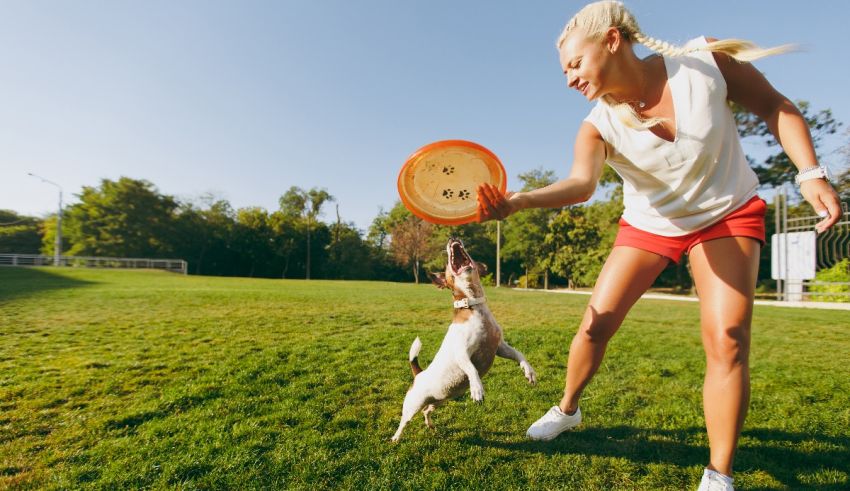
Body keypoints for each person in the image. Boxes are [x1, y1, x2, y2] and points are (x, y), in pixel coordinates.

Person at [475, 2, 842, 490]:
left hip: (726, 214)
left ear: (611, 40)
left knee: (728, 339)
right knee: (594, 326)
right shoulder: (597, 125)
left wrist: (811, 173)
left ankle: (719, 474)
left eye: (575, 64)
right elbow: (582, 185)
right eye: (564, 71)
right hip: (650, 225)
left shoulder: (704, 64)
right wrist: (518, 201)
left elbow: (776, 106)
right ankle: (567, 408)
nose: (569, 79)